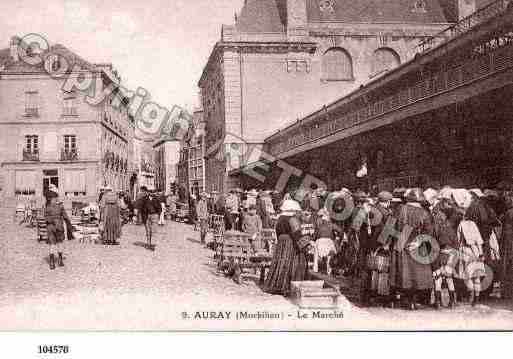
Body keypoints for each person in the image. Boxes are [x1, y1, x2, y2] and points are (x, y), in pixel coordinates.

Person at [392, 188, 434, 310]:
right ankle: (414, 300)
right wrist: (418, 242)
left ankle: (407, 300)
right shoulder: (424, 213)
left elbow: (389, 229)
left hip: (400, 243)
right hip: (417, 245)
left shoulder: (398, 209)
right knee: (417, 274)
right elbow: (429, 232)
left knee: (403, 274)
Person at [265, 199, 312, 296]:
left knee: (281, 263)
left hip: (281, 244)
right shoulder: (292, 219)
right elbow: (297, 234)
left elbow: (278, 233)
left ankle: (278, 285)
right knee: (294, 264)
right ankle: (289, 286)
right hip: (290, 243)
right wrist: (306, 245)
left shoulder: (280, 219)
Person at [45, 188, 72, 270]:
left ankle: (52, 263)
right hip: (59, 226)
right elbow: (65, 217)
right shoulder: (60, 206)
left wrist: (51, 221)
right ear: (53, 198)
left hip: (50, 227)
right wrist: (69, 225)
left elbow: (46, 218)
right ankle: (60, 261)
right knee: (60, 243)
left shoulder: (47, 207)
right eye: (55, 198)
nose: (56, 199)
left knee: (52, 244)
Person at [501, 195, 513, 299]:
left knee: (506, 266)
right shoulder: (507, 213)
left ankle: (506, 292)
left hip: (507, 241)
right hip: (508, 241)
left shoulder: (507, 214)